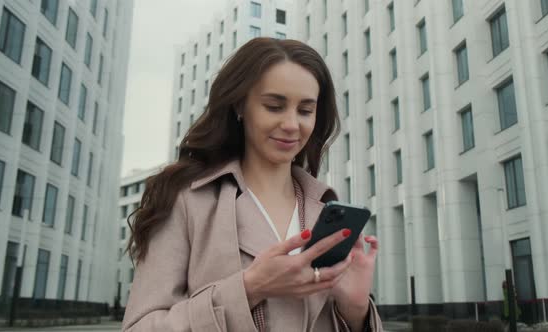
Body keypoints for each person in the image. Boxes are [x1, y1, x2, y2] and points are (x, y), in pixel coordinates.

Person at [121, 37, 383, 331]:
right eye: (274, 106)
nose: (291, 124)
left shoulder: (324, 209)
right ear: (239, 105)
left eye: (306, 111)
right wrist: (250, 287)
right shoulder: (185, 200)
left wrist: (356, 309)